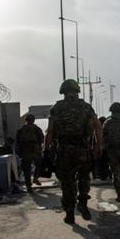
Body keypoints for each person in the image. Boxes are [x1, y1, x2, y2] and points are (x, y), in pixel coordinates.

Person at [45, 79, 103, 225]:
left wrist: (46, 150)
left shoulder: (57, 108)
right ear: (77, 91)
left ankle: (69, 212)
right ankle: (82, 201)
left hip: (64, 149)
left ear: (63, 92)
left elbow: (50, 131)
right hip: (82, 149)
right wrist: (99, 145)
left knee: (66, 181)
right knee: (84, 177)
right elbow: (97, 127)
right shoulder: (86, 107)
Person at [16, 114, 44, 193]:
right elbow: (41, 139)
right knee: (36, 166)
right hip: (33, 150)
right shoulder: (36, 129)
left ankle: (30, 184)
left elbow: (18, 142)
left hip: (28, 150)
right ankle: (33, 180)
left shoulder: (22, 129)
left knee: (28, 169)